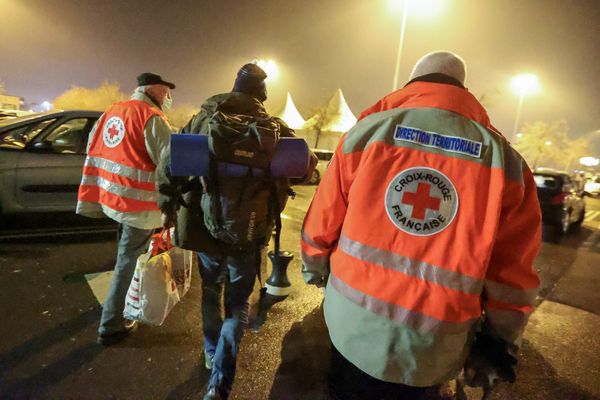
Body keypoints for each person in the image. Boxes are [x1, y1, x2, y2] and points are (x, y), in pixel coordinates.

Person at [301, 51, 542, 400]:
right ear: (463, 88)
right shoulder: (506, 162)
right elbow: (512, 270)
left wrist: (314, 268)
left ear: (412, 84)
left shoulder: (367, 134)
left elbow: (323, 219)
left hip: (352, 327)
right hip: (434, 346)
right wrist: (501, 338)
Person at [158, 63, 316, 400]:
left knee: (210, 292)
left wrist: (167, 203)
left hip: (206, 228)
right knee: (238, 302)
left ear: (233, 88)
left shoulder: (204, 118)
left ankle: (211, 350)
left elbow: (166, 160)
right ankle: (221, 380)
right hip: (251, 231)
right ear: (261, 95)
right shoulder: (272, 128)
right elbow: (307, 165)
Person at [77, 72, 175, 346]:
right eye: (167, 93)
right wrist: (171, 206)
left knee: (124, 255)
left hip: (114, 199)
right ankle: (111, 324)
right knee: (126, 261)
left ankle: (114, 307)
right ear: (155, 91)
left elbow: (94, 146)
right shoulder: (152, 119)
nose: (169, 99)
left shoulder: (113, 111)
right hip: (138, 207)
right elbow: (170, 166)